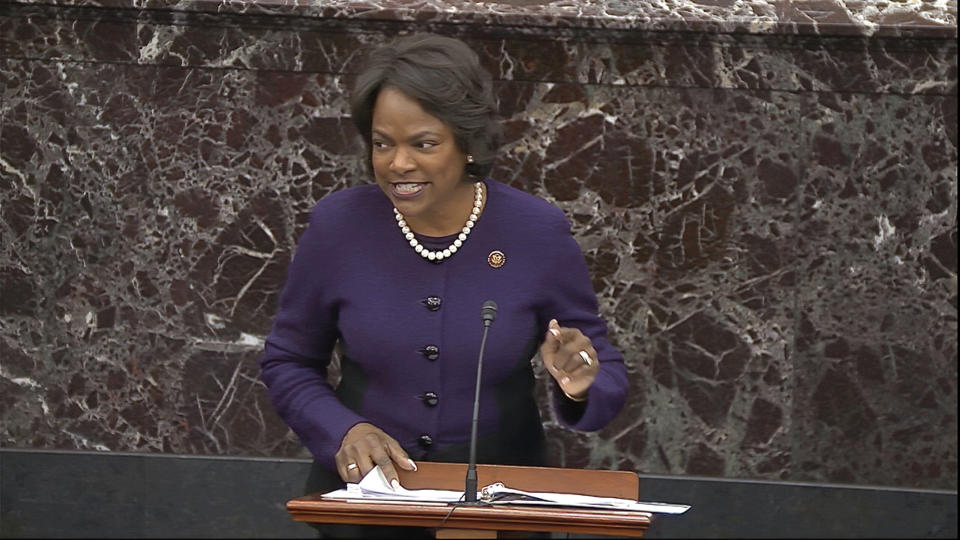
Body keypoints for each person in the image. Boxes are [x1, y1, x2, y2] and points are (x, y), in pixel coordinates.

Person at [259, 33, 628, 536]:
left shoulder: (536, 232)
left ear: (467, 143)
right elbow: (288, 361)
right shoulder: (338, 227)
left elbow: (600, 366)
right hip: (366, 509)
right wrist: (344, 430)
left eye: (423, 143)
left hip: (499, 510)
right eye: (383, 143)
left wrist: (581, 382)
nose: (398, 164)